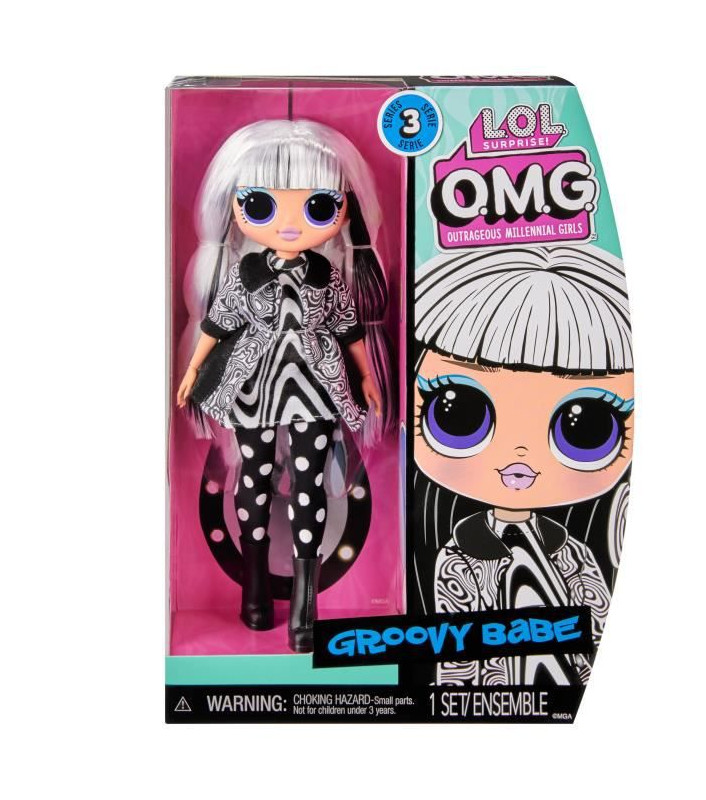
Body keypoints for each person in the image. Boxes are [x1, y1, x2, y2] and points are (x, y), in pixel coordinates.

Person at [176, 120, 390, 651]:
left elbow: (348, 328)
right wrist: (193, 370)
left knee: (308, 482)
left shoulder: (326, 275)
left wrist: (366, 375)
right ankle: (252, 589)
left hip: (315, 388)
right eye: (262, 206)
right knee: (254, 476)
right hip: (254, 386)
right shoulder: (245, 274)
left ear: (342, 209)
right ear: (236, 207)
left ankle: (303, 603)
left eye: (317, 207)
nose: (290, 224)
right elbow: (217, 324)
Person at [412, 245, 634, 685]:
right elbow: (455, 659)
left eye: (586, 429)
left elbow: (597, 631)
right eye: (460, 414)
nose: (519, 455)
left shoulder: (573, 554)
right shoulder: (457, 560)